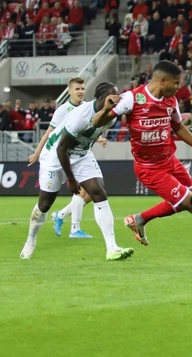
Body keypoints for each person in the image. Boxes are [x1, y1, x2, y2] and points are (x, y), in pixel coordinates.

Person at [91, 61, 192, 269]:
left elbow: (178, 128)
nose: (179, 87)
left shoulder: (171, 101)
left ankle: (139, 219)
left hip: (171, 161)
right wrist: (106, 110)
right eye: (176, 83)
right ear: (163, 81)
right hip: (149, 169)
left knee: (188, 201)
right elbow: (96, 122)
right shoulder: (132, 98)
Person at [20, 82, 134, 261]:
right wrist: (72, 179)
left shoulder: (111, 117)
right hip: (55, 156)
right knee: (45, 204)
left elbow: (90, 135)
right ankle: (31, 240)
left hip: (81, 154)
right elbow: (62, 148)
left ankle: (112, 248)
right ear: (102, 99)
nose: (117, 99)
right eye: (114, 96)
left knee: (98, 192)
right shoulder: (80, 115)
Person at [27, 77, 104, 239]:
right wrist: (37, 153)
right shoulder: (63, 110)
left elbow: (87, 129)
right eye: (77, 89)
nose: (81, 92)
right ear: (69, 91)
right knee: (77, 194)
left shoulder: (88, 107)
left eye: (82, 89)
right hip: (61, 156)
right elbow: (50, 132)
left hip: (80, 155)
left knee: (91, 192)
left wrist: (99, 138)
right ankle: (71, 225)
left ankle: (65, 219)